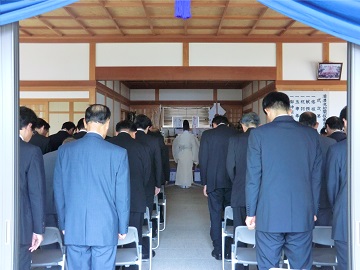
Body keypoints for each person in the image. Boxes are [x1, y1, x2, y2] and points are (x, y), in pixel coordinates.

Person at [245, 92, 322, 270]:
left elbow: (253, 176)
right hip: (302, 213)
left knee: (268, 265)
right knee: (301, 266)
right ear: (289, 109)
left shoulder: (259, 134)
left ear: (267, 110)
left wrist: (251, 212)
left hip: (268, 214)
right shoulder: (310, 135)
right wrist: (314, 209)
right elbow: (316, 177)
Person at [54, 104, 130, 270]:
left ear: (85, 121)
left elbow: (59, 191)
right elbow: (121, 195)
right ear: (107, 123)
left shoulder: (65, 151)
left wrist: (63, 224)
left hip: (74, 224)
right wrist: (122, 226)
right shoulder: (118, 153)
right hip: (105, 226)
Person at [108, 120, 151, 263]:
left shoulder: (107, 145)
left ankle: (113, 261)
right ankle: (132, 262)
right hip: (135, 196)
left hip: (110, 199)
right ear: (134, 134)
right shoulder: (142, 147)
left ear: (116, 132)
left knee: (110, 232)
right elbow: (147, 174)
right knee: (134, 231)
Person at [199, 115, 238, 260]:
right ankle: (230, 248)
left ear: (214, 124)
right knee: (231, 214)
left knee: (215, 214)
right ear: (227, 124)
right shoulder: (236, 134)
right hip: (232, 181)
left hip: (214, 181)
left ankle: (218, 249)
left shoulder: (208, 135)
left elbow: (203, 159)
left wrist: (205, 182)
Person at [226, 112, 260, 270]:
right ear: (258, 124)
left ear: (243, 125)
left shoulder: (235, 140)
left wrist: (237, 181)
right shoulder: (264, 138)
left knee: (239, 227)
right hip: (262, 193)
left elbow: (230, 167)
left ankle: (241, 265)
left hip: (240, 190)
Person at [19, 106, 46, 269]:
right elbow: (36, 193)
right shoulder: (31, 151)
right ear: (28, 126)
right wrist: (38, 229)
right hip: (21, 227)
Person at [299, 111, 336, 226]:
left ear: (299, 124)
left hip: (301, 198)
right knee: (323, 238)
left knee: (301, 239)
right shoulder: (331, 143)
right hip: (325, 198)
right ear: (316, 124)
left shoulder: (296, 143)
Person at [134, 114, 162, 258]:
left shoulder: (130, 138)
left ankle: (130, 244)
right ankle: (145, 247)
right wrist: (158, 184)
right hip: (148, 184)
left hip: (130, 183)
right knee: (146, 214)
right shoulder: (153, 141)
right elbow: (158, 163)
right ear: (148, 127)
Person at [326, 106, 348, 270]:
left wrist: (337, 207)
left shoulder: (337, 149)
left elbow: (332, 187)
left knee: (346, 263)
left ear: (345, 122)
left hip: (345, 216)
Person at [172, 120, 199, 188]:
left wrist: (176, 156)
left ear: (183, 127)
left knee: (181, 168)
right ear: (189, 127)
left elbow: (175, 147)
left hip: (181, 153)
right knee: (188, 169)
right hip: (189, 153)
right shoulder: (192, 136)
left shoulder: (179, 137)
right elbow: (195, 147)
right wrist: (195, 158)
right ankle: (188, 183)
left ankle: (181, 183)